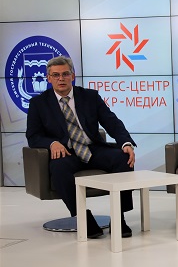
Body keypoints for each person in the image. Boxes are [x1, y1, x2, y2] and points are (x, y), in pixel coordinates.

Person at [26, 56, 136, 239]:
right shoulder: (39, 103)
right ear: (49, 78)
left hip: (92, 148)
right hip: (66, 152)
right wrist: (52, 143)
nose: (61, 79)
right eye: (56, 75)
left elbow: (112, 122)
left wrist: (126, 143)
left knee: (123, 159)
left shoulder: (90, 96)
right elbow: (33, 136)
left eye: (65, 74)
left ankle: (119, 217)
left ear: (73, 75)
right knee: (58, 168)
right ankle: (83, 217)